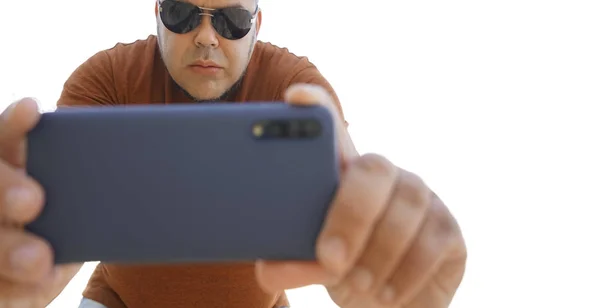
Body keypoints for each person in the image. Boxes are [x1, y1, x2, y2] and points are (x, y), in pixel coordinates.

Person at [0, 0, 467, 307]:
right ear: (157, 13)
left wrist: (382, 251)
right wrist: (17, 281)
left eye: (231, 20)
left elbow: (349, 201)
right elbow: (59, 220)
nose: (206, 36)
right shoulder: (106, 78)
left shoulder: (295, 85)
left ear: (256, 25)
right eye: (184, 14)